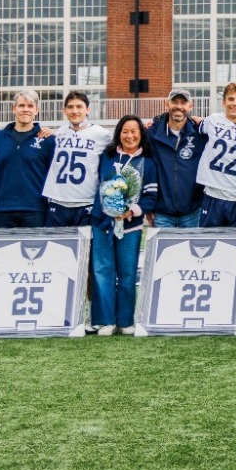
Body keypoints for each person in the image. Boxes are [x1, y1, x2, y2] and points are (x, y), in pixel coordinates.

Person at [90, 115, 158, 335]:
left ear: (141, 134)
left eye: (134, 131)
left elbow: (150, 197)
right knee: (103, 272)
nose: (129, 136)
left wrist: (130, 211)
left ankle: (125, 320)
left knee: (127, 273)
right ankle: (105, 320)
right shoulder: (107, 157)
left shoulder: (148, 162)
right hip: (102, 223)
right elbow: (96, 185)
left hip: (131, 226)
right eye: (125, 131)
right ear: (119, 133)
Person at [0, 91, 53, 231]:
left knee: (33, 252)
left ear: (36, 110)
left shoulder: (47, 140)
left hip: (36, 210)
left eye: (30, 106)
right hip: (4, 210)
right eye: (21, 105)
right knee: (6, 253)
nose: (25, 109)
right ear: (14, 108)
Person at [196, 82, 236, 229]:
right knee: (209, 247)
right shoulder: (213, 120)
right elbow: (194, 120)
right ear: (224, 102)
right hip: (213, 195)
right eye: (231, 99)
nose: (235, 103)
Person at [41, 91, 110, 229]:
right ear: (64, 111)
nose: (75, 111)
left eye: (79, 107)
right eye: (70, 107)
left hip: (86, 202)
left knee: (85, 249)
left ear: (88, 110)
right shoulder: (58, 133)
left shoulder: (102, 134)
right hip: (58, 201)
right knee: (56, 248)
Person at [147, 89, 207, 229]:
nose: (178, 106)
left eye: (183, 102)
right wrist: (149, 205)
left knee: (193, 251)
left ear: (190, 106)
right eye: (174, 102)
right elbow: (144, 169)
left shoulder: (201, 134)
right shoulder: (152, 133)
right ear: (166, 104)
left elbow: (229, 125)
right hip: (162, 213)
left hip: (194, 211)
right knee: (164, 251)